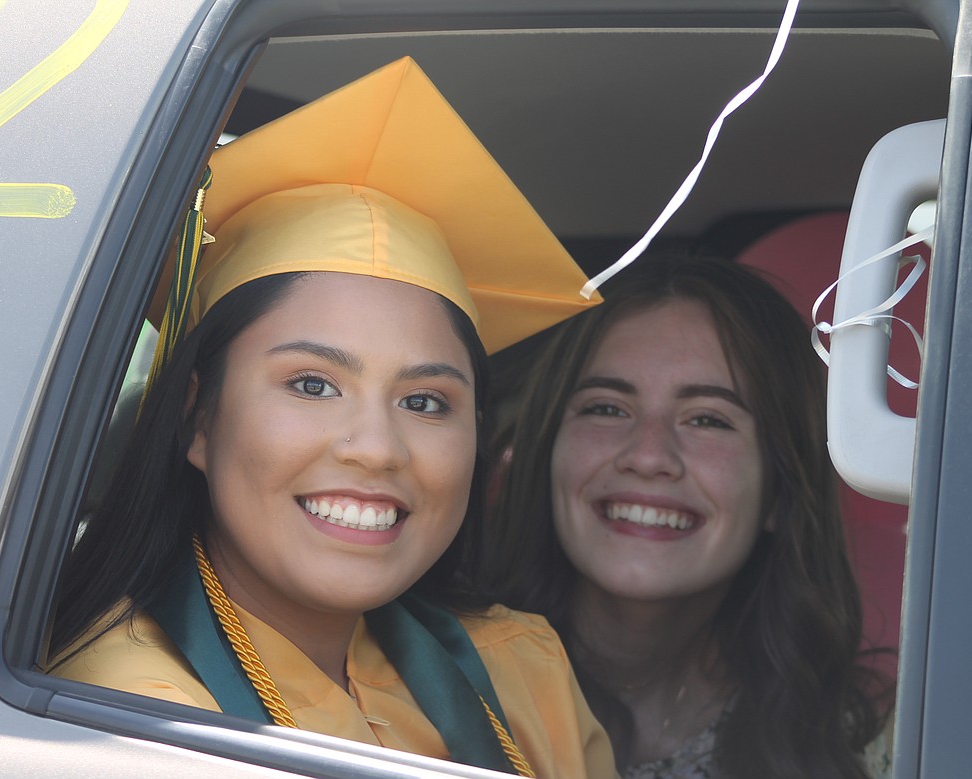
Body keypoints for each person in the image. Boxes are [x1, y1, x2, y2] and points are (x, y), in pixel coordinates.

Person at [48, 57, 615, 779]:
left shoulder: (522, 671)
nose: (376, 448)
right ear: (197, 417)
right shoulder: (127, 722)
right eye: (312, 384)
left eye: (425, 401)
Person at [482, 256, 893, 779]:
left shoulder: (871, 744)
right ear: (546, 453)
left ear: (779, 491)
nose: (648, 456)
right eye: (606, 408)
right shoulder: (427, 692)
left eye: (707, 419)